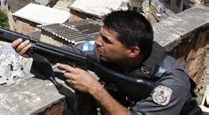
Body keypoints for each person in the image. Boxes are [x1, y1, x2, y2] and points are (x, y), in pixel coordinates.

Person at [12, 10, 201, 115]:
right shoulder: (103, 52)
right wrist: (32, 49)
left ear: (133, 51)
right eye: (100, 36)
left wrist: (95, 88)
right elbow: (64, 54)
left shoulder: (170, 82)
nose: (97, 42)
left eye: (107, 40)